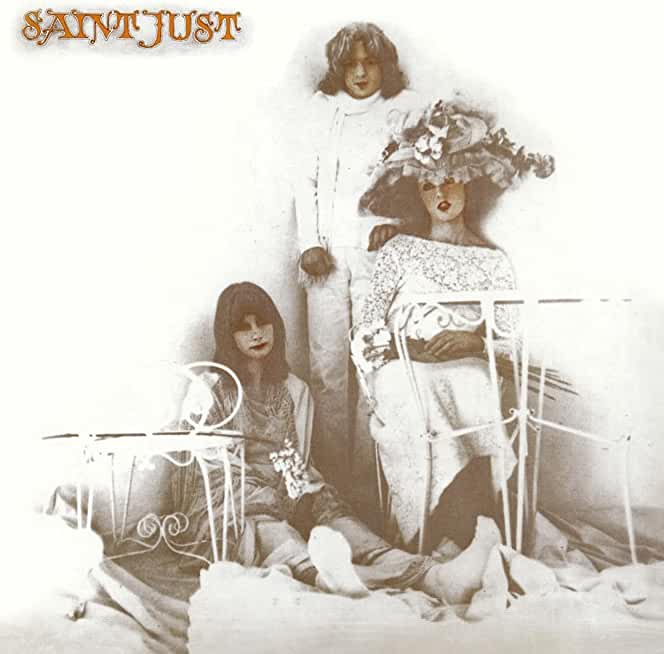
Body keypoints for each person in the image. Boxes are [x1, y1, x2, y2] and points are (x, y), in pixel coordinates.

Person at [170, 281, 502, 606]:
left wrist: (300, 495)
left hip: (289, 491)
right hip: (234, 500)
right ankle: (340, 576)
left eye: (262, 323)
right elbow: (206, 467)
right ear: (227, 336)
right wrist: (267, 497)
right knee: (278, 535)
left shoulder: (294, 388)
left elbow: (300, 460)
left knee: (348, 529)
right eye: (244, 327)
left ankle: (437, 577)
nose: (257, 333)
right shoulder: (209, 388)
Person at [351, 99, 555, 551]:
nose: (440, 193)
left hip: (465, 364)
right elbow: (367, 330)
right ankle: (434, 532)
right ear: (417, 195)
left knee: (474, 384)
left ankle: (473, 530)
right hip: (403, 364)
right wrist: (404, 348)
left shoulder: (492, 261)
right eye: (428, 185)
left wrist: (472, 343)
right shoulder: (400, 250)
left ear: (467, 185)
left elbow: (510, 342)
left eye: (449, 181)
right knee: (411, 391)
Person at [294, 23, 420, 492]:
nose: (361, 73)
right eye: (351, 64)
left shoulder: (404, 109)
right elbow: (305, 181)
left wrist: (399, 226)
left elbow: (415, 180)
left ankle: (372, 486)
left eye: (370, 63)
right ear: (338, 68)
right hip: (327, 257)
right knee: (328, 368)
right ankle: (335, 486)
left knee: (374, 364)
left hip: (377, 253)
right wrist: (309, 244)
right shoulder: (322, 110)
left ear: (384, 65)